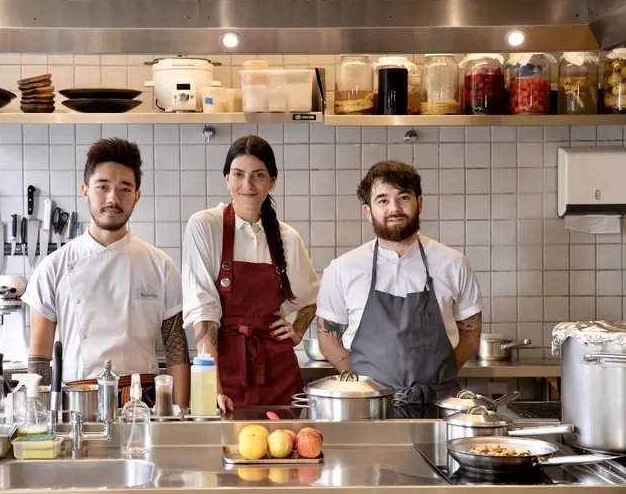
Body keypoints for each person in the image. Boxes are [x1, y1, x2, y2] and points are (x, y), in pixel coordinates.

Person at [22, 138, 190, 408]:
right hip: (78, 403)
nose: (113, 198)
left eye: (125, 188)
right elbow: (40, 359)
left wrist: (180, 415)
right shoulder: (53, 268)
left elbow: (176, 352)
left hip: (143, 404)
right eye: (103, 187)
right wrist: (41, 417)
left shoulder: (161, 266)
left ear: (137, 196)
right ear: (85, 190)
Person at [316, 160, 483, 405]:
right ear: (368, 211)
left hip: (441, 404)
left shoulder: (453, 263)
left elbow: (470, 337)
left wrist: (436, 377)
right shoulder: (342, 269)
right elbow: (328, 341)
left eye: (403, 197)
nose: (394, 208)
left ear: (420, 203)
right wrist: (368, 386)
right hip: (369, 407)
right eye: (382, 200)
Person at [182, 135, 320, 412]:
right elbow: (203, 309)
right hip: (226, 373)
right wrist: (211, 384)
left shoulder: (287, 237)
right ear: (227, 179)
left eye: (258, 175)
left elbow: (312, 298)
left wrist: (298, 329)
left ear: (272, 181)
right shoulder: (206, 226)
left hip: (280, 374)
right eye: (238, 174)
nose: (248, 185)